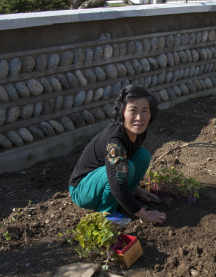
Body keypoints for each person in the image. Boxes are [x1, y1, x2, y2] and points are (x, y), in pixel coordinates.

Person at [69, 85, 166, 225]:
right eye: (133, 111)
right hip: (83, 190)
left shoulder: (138, 131)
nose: (139, 118)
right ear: (122, 112)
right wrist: (145, 215)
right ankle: (105, 212)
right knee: (125, 167)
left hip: (105, 180)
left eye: (145, 111)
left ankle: (126, 200)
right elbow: (117, 185)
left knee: (143, 155)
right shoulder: (115, 142)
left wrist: (138, 190)